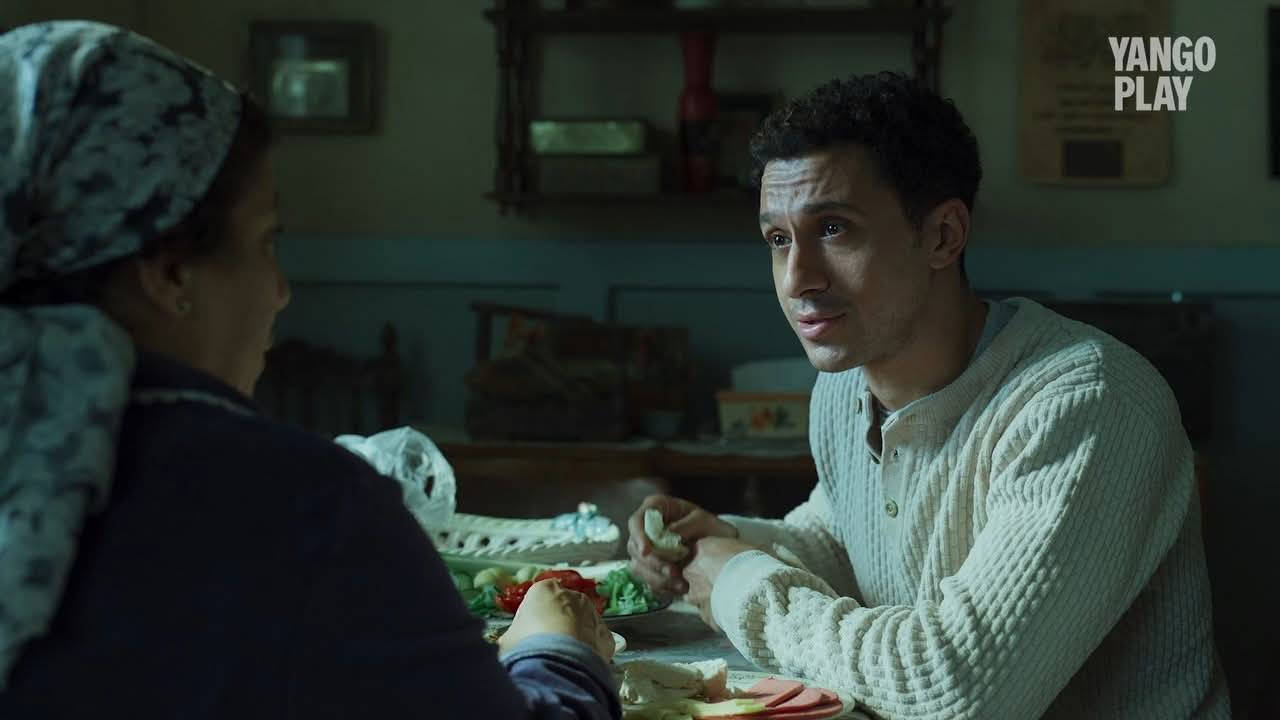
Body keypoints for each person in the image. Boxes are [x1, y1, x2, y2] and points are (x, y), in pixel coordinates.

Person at [0, 21, 620, 719]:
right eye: (266, 241)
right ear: (171, 272)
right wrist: (559, 652)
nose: (281, 291)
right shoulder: (304, 509)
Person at [627, 72, 1229, 719]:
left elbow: (956, 691)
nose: (798, 278)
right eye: (779, 239)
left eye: (833, 229)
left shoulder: (1086, 404)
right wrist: (717, 541)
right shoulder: (843, 386)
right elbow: (844, 543)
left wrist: (737, 582)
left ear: (943, 235)